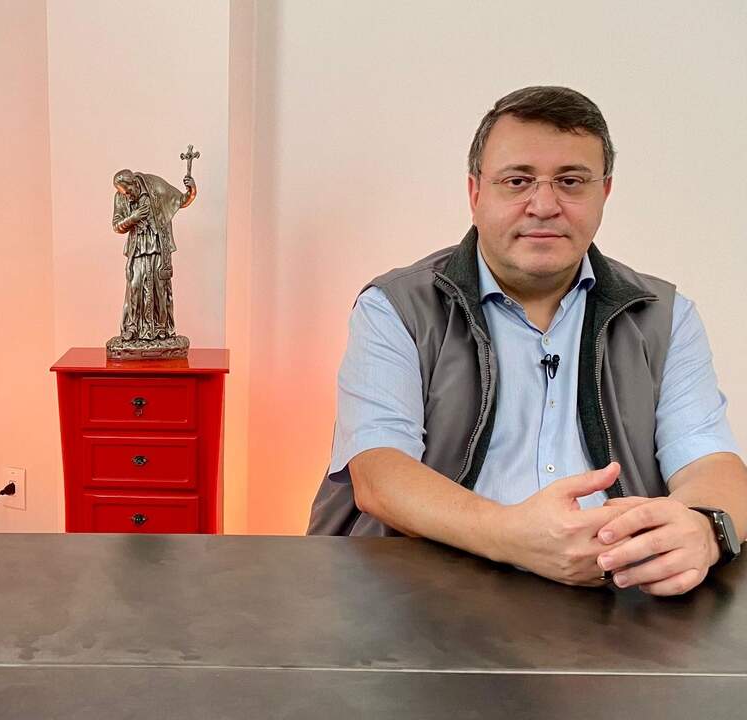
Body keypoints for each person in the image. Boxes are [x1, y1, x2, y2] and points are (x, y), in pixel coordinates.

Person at [307, 86, 746, 596]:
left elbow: (711, 461)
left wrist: (703, 529)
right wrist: (514, 536)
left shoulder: (665, 315)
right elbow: (379, 474)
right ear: (476, 193)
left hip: (618, 595)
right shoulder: (394, 307)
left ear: (604, 193)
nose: (544, 205)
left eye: (571, 181)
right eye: (517, 181)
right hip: (426, 594)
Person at [111, 168, 196, 344]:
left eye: (128, 191)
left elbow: (180, 200)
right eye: (124, 193)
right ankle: (132, 328)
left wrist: (192, 191)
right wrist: (133, 217)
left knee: (159, 287)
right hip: (137, 248)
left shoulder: (155, 186)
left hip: (157, 245)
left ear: (134, 183)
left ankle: (161, 328)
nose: (127, 196)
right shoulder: (120, 196)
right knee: (135, 286)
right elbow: (116, 225)